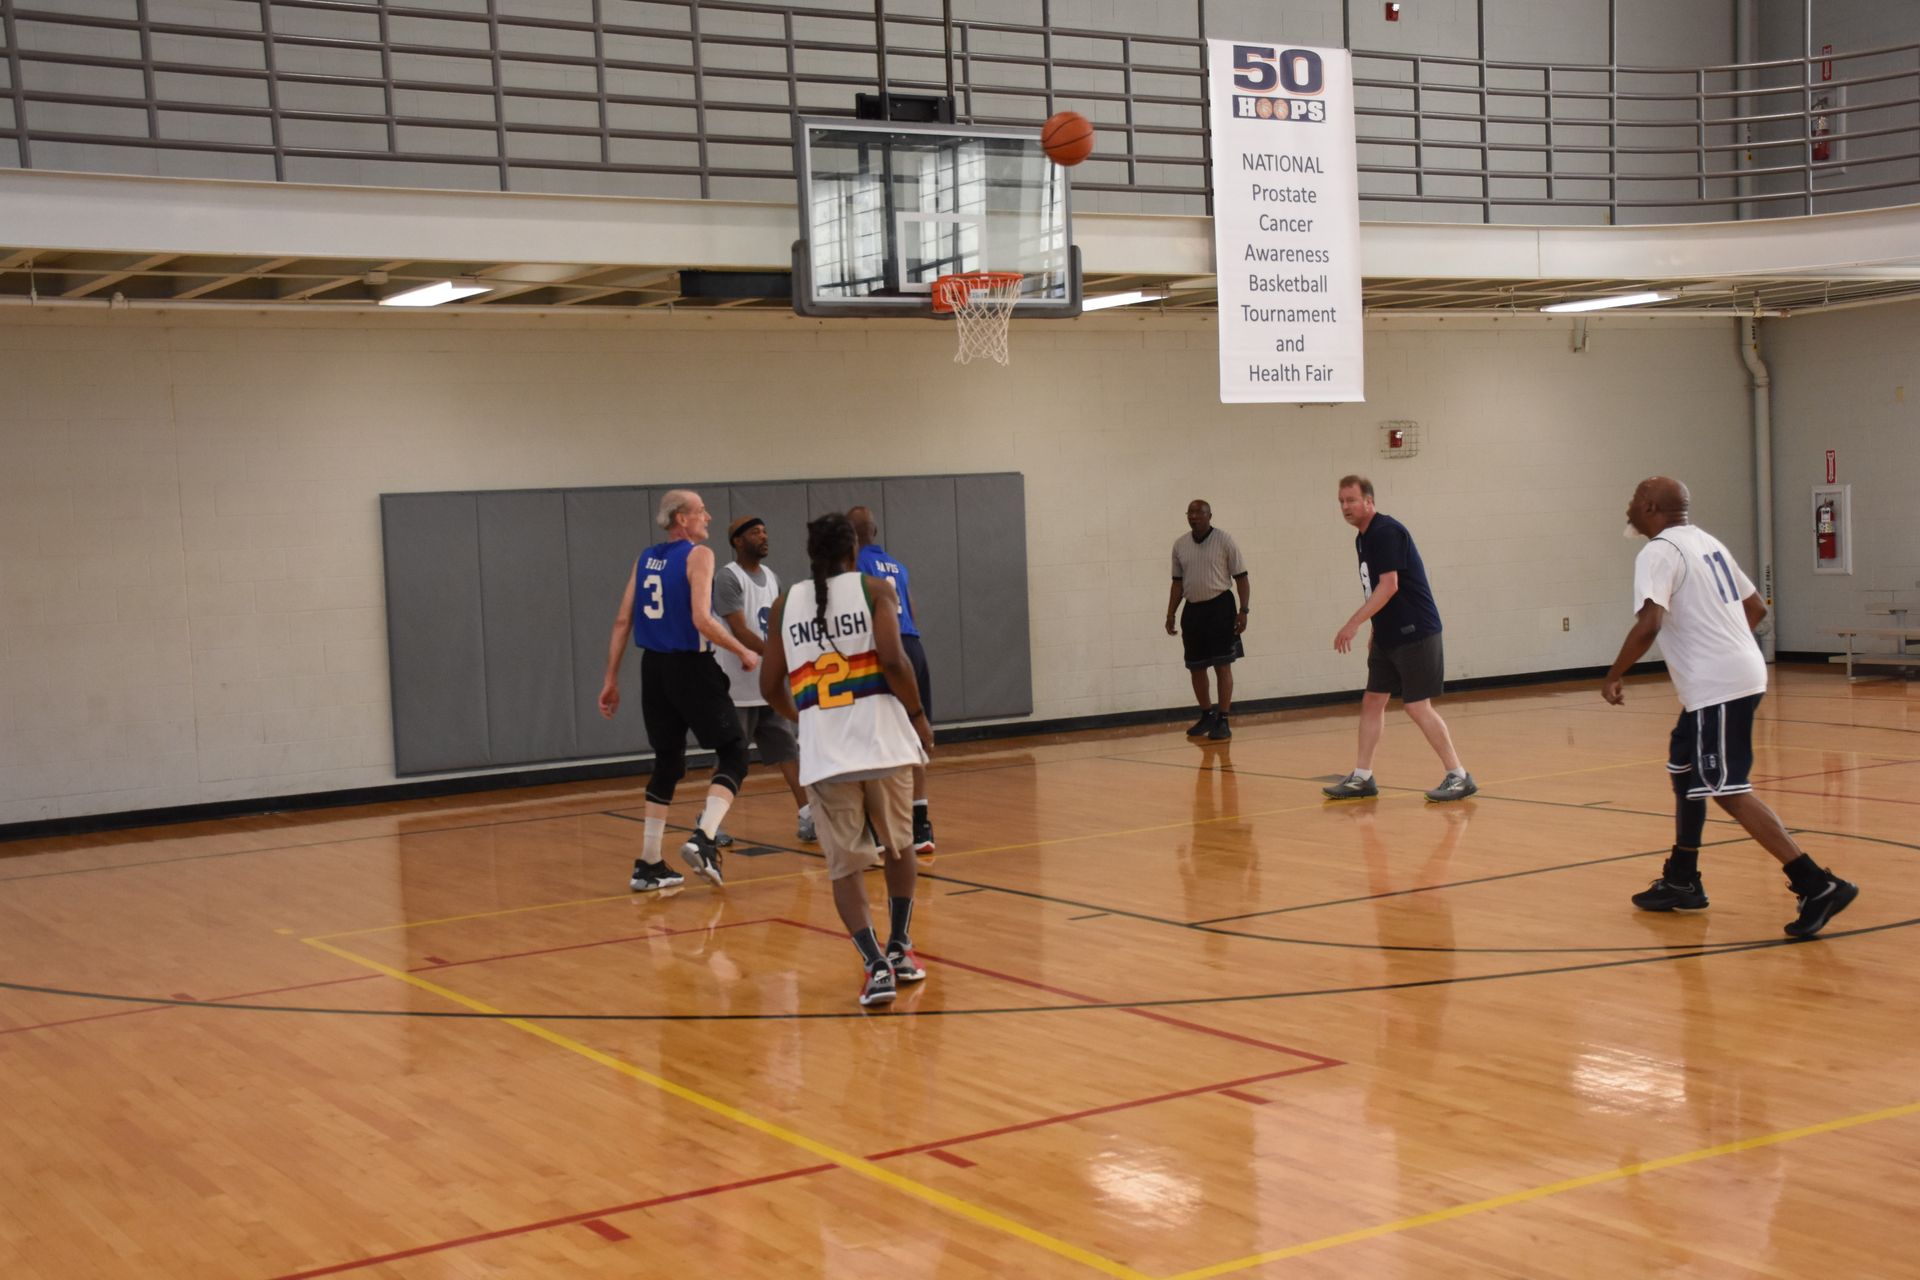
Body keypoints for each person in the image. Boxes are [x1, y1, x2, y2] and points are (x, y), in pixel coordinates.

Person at [1602, 476, 1858, 938]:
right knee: (1685, 771)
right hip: (1727, 676)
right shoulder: (1705, 542)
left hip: (1717, 684)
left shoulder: (1658, 551)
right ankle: (1682, 878)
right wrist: (1724, 640)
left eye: (1634, 500)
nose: (1628, 509)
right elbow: (1755, 608)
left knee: (1725, 789)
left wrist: (1614, 672)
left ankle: (1816, 883)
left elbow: (1649, 622)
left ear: (1652, 507)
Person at [761, 512, 935, 1007]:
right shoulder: (875, 589)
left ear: (810, 553)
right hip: (883, 745)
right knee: (900, 848)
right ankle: (900, 946)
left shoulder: (784, 604)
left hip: (826, 756)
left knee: (845, 868)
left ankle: (873, 962)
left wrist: (809, 718)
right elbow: (894, 659)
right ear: (854, 550)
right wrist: (919, 716)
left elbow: (769, 687)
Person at [598, 489, 758, 891]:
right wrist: (742, 649)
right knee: (735, 752)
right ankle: (704, 838)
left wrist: (611, 679)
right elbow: (702, 618)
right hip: (690, 666)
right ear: (681, 519)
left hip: (653, 669)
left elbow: (622, 621)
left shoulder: (645, 558)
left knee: (668, 762)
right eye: (700, 511)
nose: (707, 516)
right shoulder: (699, 555)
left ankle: (649, 864)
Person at [1322, 475, 1475, 802]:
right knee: (1372, 701)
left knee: (1417, 706)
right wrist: (1376, 629)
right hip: (1388, 635)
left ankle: (1458, 775)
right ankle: (1362, 777)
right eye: (1341, 502)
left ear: (1369, 501)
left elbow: (1389, 585)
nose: (1345, 507)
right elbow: (1376, 588)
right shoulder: (1362, 539)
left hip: (1415, 631)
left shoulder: (1386, 532)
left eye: (1351, 500)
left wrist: (1354, 623)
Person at [711, 513, 816, 844]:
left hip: (765, 684)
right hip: (735, 685)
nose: (763, 536)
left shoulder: (772, 577)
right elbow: (739, 629)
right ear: (737, 541)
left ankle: (807, 815)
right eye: (755, 532)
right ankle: (710, 824)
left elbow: (780, 624)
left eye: (765, 531)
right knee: (733, 758)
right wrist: (776, 655)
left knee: (787, 750)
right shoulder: (727, 578)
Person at [849, 505, 937, 855]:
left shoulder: (856, 567)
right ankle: (922, 825)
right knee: (915, 740)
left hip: (883, 649)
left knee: (871, 738)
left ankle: (874, 826)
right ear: (874, 530)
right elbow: (911, 610)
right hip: (913, 646)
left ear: (850, 536)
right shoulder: (898, 566)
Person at [1165, 499, 1250, 741]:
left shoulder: (1224, 541)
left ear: (1209, 516)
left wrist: (1243, 610)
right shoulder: (1180, 545)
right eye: (1190, 513)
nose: (1194, 517)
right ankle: (1206, 714)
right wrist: (1171, 612)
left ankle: (1223, 719)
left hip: (1220, 607)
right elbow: (1177, 583)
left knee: (1223, 665)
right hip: (1193, 610)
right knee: (1196, 666)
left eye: (1199, 513)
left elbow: (1242, 578)